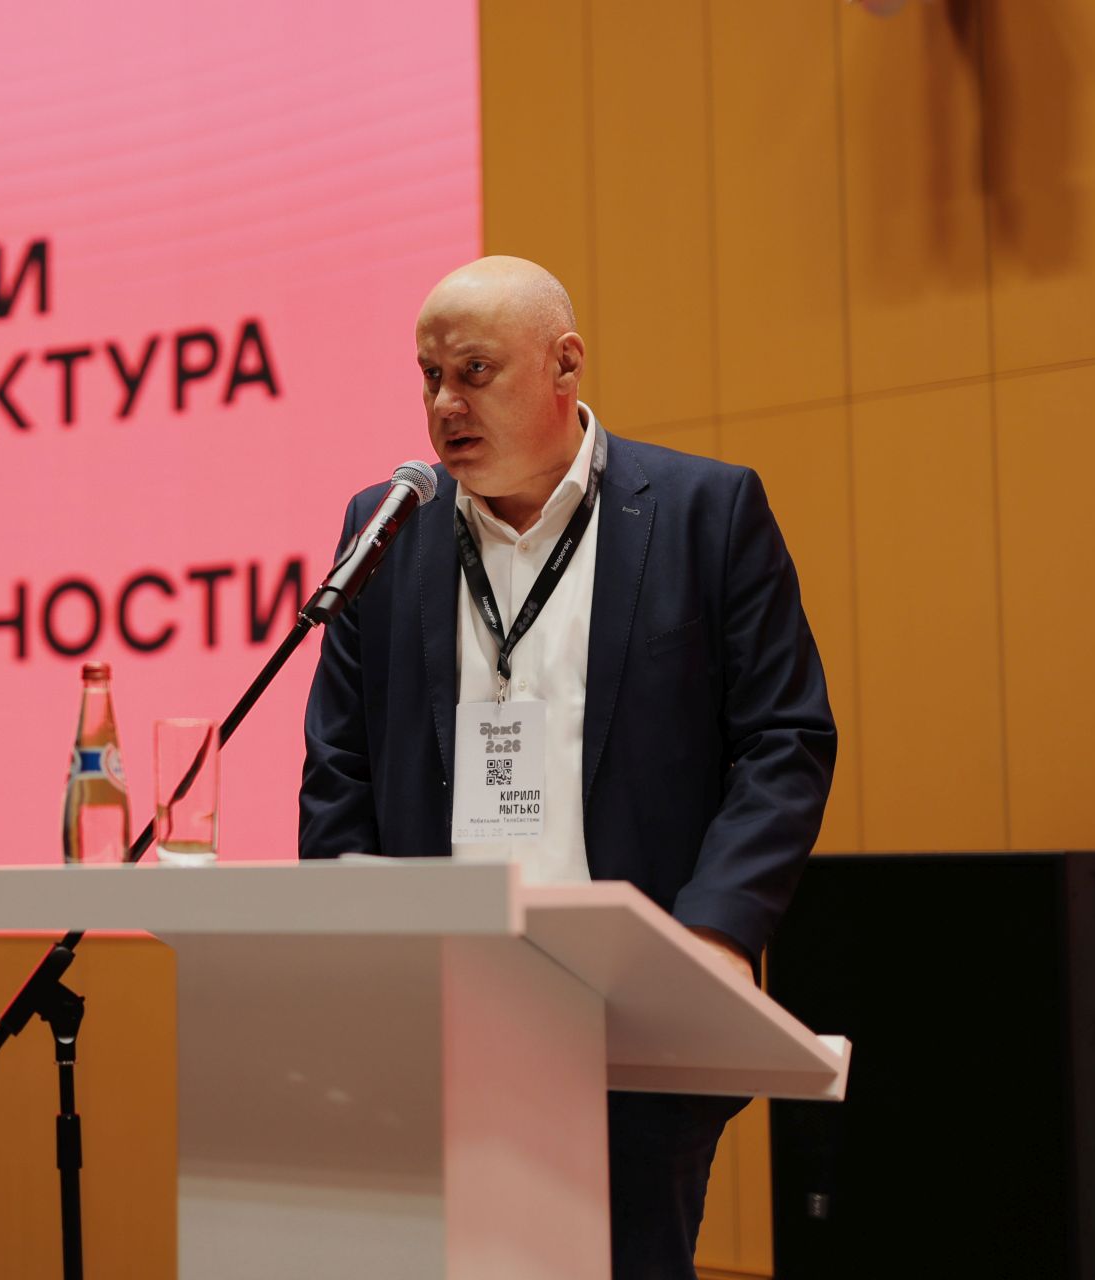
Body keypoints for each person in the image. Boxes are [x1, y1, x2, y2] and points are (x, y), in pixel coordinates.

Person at [299, 255, 836, 1278]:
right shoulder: (388, 528)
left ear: (565, 363)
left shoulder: (704, 513)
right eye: (429, 377)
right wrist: (356, 966)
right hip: (438, 1015)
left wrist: (715, 934)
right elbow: (339, 768)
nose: (445, 404)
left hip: (632, 1014)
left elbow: (784, 739)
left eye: (474, 371)